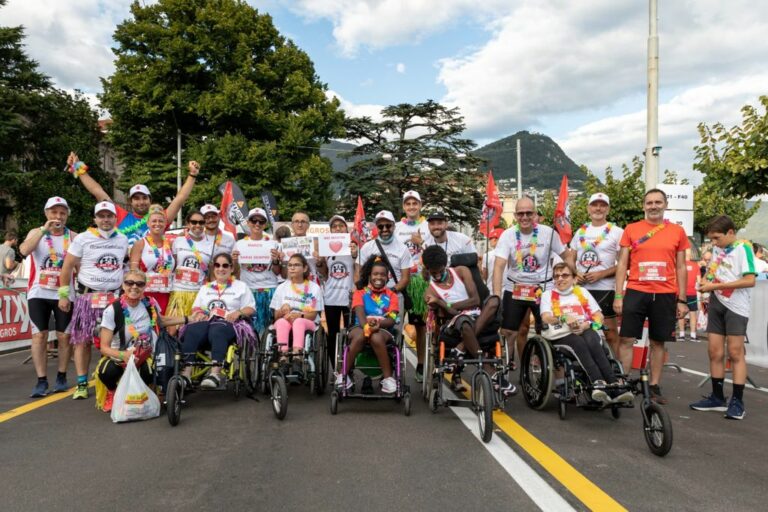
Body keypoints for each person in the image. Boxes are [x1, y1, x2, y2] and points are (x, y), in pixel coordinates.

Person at [614, 189, 689, 404]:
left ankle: (654, 385)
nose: (653, 206)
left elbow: (681, 266)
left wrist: (682, 299)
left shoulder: (677, 231)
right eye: (649, 202)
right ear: (643, 206)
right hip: (637, 291)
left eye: (658, 202)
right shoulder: (631, 229)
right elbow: (621, 265)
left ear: (665, 204)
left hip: (665, 293)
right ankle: (623, 382)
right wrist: (619, 295)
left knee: (658, 342)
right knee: (627, 338)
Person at [58, 201, 129, 399]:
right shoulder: (82, 238)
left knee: (114, 341)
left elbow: (125, 264)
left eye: (109, 216)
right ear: (95, 219)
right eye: (102, 216)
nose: (105, 220)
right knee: (83, 341)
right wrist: (64, 296)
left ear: (116, 218)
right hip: (87, 298)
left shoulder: (123, 239)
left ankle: (110, 381)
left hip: (113, 298)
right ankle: (82, 383)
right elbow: (67, 267)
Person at [689, 216, 757, 420]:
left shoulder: (743, 248)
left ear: (730, 233)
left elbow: (749, 280)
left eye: (717, 238)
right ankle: (717, 397)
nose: (714, 243)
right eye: (711, 239)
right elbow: (713, 270)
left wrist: (715, 286)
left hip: (736, 305)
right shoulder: (718, 249)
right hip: (717, 302)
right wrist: (705, 280)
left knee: (735, 352)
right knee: (714, 351)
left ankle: (738, 400)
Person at [422, 245, 513, 395]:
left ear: (445, 265)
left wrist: (447, 303)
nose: (437, 275)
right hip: (455, 322)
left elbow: (476, 300)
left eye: (440, 271)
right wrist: (440, 304)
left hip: (476, 315)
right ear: (427, 269)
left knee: (494, 300)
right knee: (463, 320)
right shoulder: (430, 291)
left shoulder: (461, 271)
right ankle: (489, 371)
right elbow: (450, 313)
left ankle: (461, 347)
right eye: (434, 273)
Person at [492, 196, 569, 368]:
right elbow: (498, 266)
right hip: (516, 287)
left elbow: (566, 256)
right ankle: (505, 370)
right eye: (520, 214)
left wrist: (572, 278)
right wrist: (497, 296)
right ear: (515, 215)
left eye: (529, 213)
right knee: (508, 332)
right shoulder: (508, 235)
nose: (525, 217)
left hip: (543, 287)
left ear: (535, 214)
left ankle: (554, 374)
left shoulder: (548, 233)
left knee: (549, 329)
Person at [540, 262, 632, 404]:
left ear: (574, 278)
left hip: (585, 329)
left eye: (564, 275)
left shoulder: (582, 292)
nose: (560, 279)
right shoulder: (547, 295)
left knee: (592, 340)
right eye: (556, 276)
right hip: (562, 335)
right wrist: (563, 317)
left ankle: (614, 385)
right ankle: (597, 382)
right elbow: (546, 317)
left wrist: (586, 325)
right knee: (579, 343)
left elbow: (599, 316)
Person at [95, 270, 186, 412]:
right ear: (123, 285)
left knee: (148, 372)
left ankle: (141, 394)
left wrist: (188, 319)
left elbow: (161, 321)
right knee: (106, 371)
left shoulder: (150, 303)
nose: (134, 287)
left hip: (145, 354)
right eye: (129, 283)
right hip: (120, 355)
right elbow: (104, 348)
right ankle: (112, 392)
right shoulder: (113, 310)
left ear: (144, 286)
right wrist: (123, 355)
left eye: (139, 284)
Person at [67, 152, 200, 245]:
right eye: (136, 199)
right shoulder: (119, 215)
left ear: (150, 200)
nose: (141, 202)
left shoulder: (159, 219)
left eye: (144, 198)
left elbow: (180, 199)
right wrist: (78, 168)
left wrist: (192, 175)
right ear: (131, 202)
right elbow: (97, 191)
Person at [18, 197, 77, 397]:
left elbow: (80, 267)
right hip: (38, 292)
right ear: (46, 214)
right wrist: (44, 230)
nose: (58, 217)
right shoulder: (37, 233)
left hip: (65, 293)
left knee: (64, 336)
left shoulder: (74, 237)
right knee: (39, 335)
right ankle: (41, 380)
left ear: (67, 215)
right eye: (54, 212)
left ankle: (61, 376)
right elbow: (24, 250)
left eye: (62, 213)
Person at [182, 252, 256, 389]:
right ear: (213, 268)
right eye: (217, 265)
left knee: (218, 329)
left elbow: (251, 308)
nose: (221, 269)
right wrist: (199, 314)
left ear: (231, 268)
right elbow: (196, 307)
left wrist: (238, 312)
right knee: (191, 330)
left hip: (229, 324)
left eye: (225, 265)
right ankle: (186, 374)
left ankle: (215, 373)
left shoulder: (241, 286)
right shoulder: (205, 288)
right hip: (206, 323)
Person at [569, 193, 624, 364]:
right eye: (594, 205)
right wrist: (574, 273)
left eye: (602, 205)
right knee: (579, 331)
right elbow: (570, 258)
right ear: (588, 208)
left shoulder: (617, 232)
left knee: (610, 332)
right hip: (581, 289)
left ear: (607, 209)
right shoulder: (580, 232)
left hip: (605, 288)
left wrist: (601, 274)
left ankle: (617, 369)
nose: (598, 208)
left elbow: (624, 264)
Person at [337, 256, 400, 394]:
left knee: (376, 337)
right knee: (360, 336)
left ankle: (388, 379)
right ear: (370, 276)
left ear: (387, 277)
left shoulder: (392, 296)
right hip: (360, 326)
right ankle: (343, 376)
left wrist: (378, 324)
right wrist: (368, 325)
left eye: (382, 274)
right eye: (375, 274)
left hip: (383, 329)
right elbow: (359, 313)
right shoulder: (360, 293)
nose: (379, 277)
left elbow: (392, 318)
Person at [394, 191, 431, 383]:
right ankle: (395, 362)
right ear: (403, 207)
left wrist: (421, 243)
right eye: (407, 204)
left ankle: (421, 364)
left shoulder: (428, 226)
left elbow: (434, 254)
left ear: (420, 205)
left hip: (421, 283)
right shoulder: (396, 228)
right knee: (395, 323)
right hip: (401, 282)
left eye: (414, 203)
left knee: (420, 326)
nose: (411, 207)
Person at [316, 215, 357, 367]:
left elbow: (358, 270)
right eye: (335, 226)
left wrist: (355, 255)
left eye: (341, 225)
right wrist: (320, 263)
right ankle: (336, 369)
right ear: (331, 230)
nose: (338, 228)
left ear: (347, 229)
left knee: (350, 334)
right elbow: (325, 274)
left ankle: (349, 368)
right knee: (332, 334)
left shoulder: (353, 247)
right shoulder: (326, 248)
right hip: (331, 297)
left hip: (349, 298)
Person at [233, 208, 282, 335]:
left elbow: (278, 272)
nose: (257, 224)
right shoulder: (239, 244)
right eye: (254, 221)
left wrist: (276, 261)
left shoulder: (273, 244)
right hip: (249, 290)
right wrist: (234, 261)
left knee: (269, 329)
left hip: (269, 289)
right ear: (248, 223)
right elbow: (235, 272)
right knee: (249, 328)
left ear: (265, 224)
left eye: (261, 221)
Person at [270, 253, 324, 359]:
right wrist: (282, 310)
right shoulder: (281, 287)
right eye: (290, 265)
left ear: (305, 268)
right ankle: (283, 355)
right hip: (286, 320)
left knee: (298, 322)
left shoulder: (314, 288)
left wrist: (300, 316)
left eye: (296, 265)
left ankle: (297, 355)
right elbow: (276, 316)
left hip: (307, 321)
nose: (292, 268)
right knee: (281, 322)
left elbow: (313, 315)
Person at [167, 210, 214, 319]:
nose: (198, 225)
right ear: (188, 224)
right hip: (178, 291)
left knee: (194, 329)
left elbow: (211, 273)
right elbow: (172, 266)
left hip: (198, 293)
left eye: (201, 222)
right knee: (173, 328)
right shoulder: (178, 240)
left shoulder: (210, 245)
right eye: (194, 222)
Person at [129, 204, 175, 314]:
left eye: (161, 221)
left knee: (165, 328)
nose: (157, 224)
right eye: (154, 221)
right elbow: (133, 273)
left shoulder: (171, 244)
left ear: (165, 224)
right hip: (146, 294)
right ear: (148, 223)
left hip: (167, 294)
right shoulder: (140, 244)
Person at [356, 210, 411, 297]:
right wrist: (365, 291)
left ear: (394, 226)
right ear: (376, 228)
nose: (384, 229)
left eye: (388, 225)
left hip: (394, 297)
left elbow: (405, 279)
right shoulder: (367, 247)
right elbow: (358, 273)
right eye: (380, 226)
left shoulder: (403, 249)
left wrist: (388, 292)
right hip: (371, 297)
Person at [678, 249, 699, 342]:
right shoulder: (695, 265)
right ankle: (693, 335)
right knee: (693, 313)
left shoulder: (678, 265)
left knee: (680, 313)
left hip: (680, 292)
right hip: (692, 292)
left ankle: (681, 335)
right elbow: (699, 280)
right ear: (690, 255)